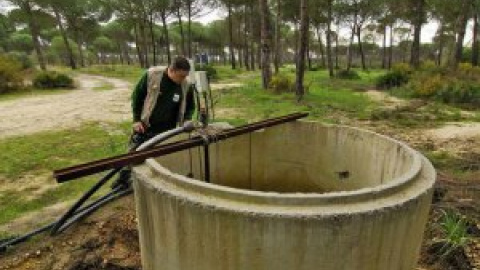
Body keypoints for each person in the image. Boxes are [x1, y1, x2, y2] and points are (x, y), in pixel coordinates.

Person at [113, 56, 196, 189]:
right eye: (181, 76)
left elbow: (191, 105)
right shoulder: (152, 75)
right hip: (146, 125)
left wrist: (187, 118)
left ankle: (150, 183)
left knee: (158, 158)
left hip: (167, 129)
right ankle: (121, 183)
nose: (183, 79)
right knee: (133, 155)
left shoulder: (185, 84)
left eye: (185, 76)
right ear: (172, 70)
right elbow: (137, 97)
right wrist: (136, 120)